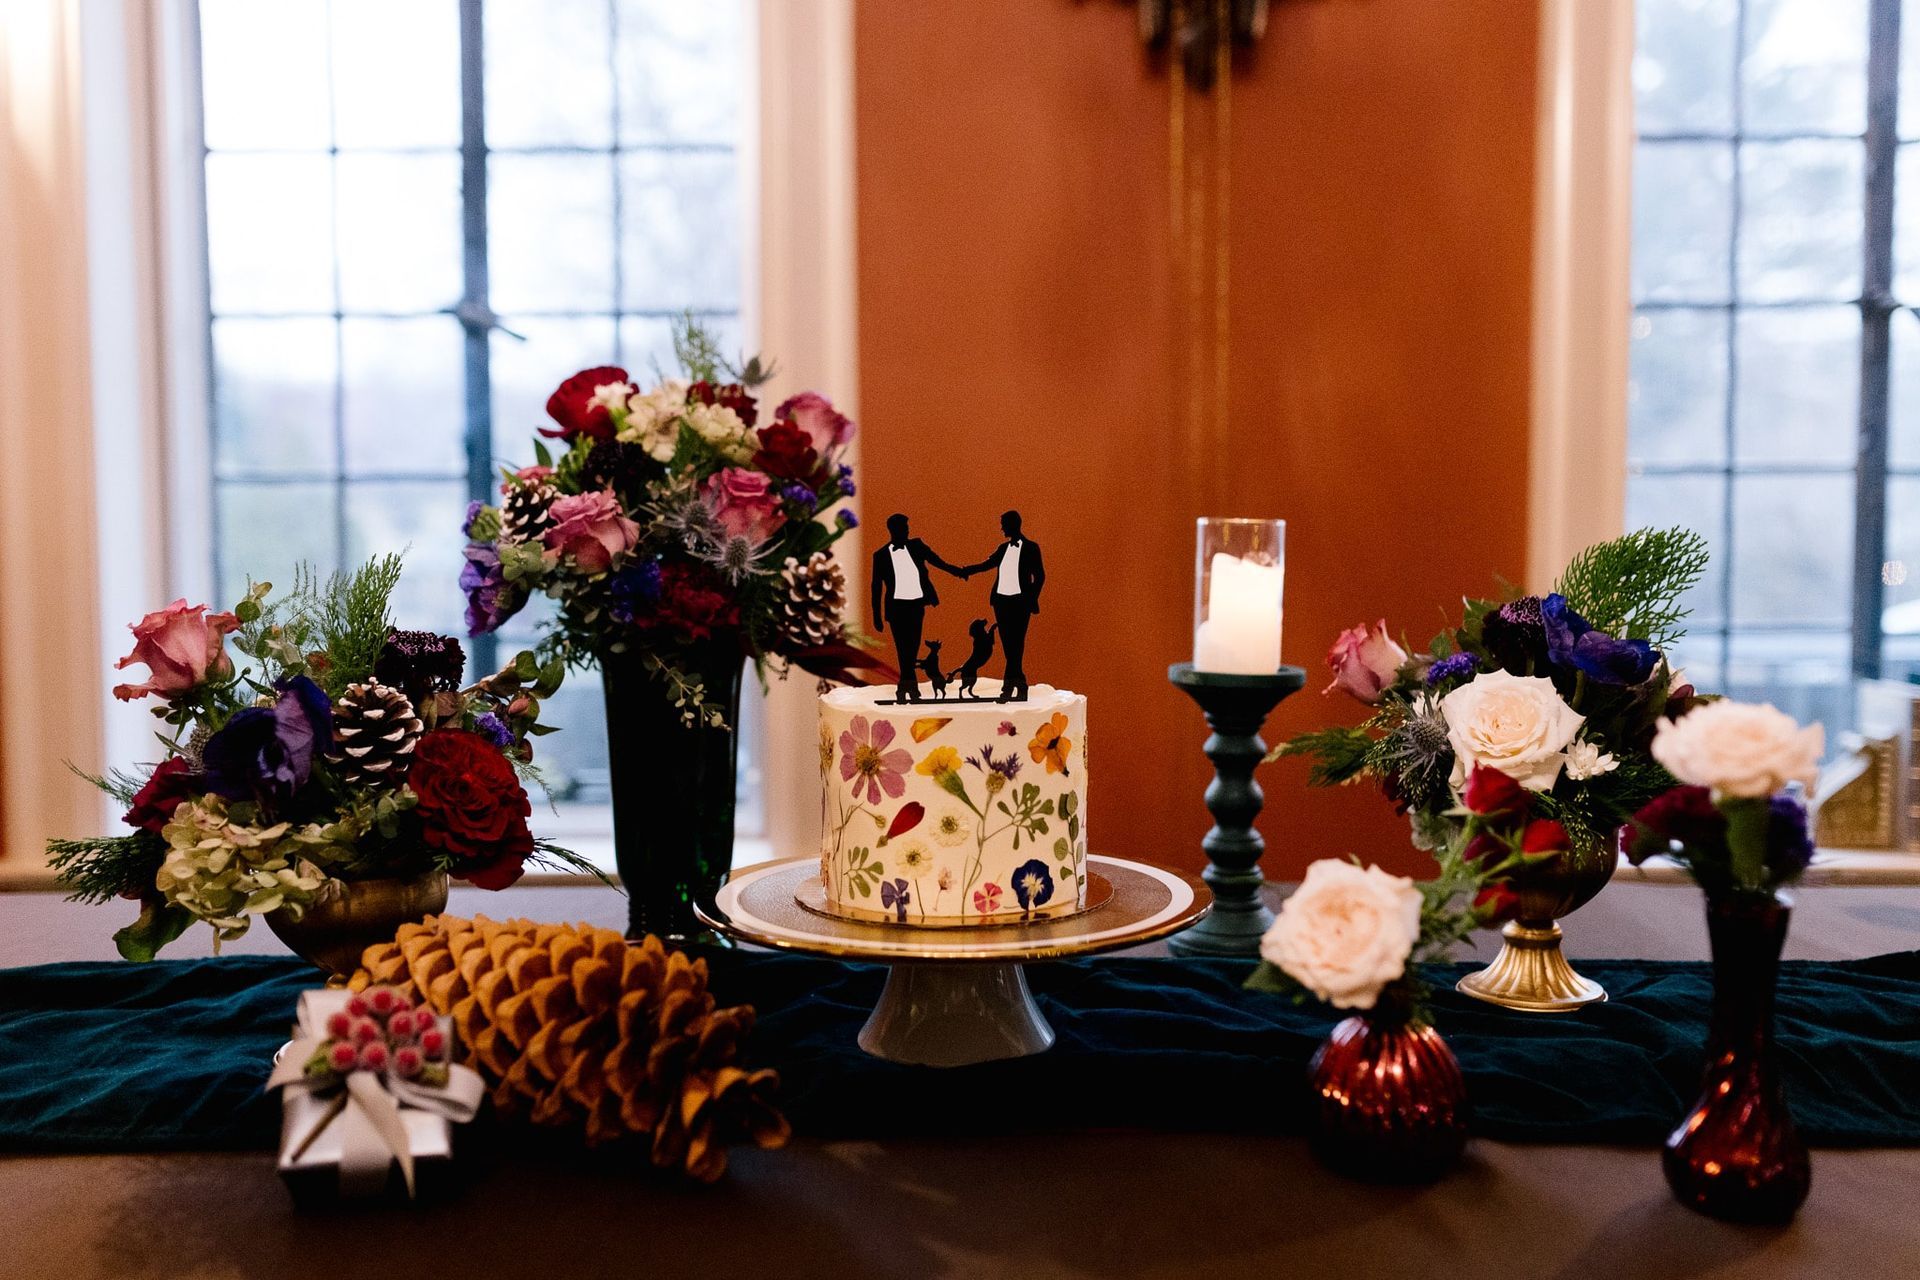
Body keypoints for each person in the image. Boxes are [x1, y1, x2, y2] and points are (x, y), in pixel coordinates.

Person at [871, 514, 968, 702]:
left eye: (907, 526)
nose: (907, 530)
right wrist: (876, 615)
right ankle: (909, 687)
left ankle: (905, 686)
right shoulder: (881, 555)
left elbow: (937, 562)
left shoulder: (917, 546)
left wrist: (958, 571)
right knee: (902, 647)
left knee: (913, 645)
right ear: (894, 529)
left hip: (916, 604)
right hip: (896, 606)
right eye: (904, 527)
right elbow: (876, 586)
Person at [962, 510, 1045, 702]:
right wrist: (965, 571)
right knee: (1010, 646)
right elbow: (986, 565)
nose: (1001, 528)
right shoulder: (1002, 548)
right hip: (1001, 602)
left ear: (1013, 524)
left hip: (1020, 603)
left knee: (1017, 645)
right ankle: (1019, 684)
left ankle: (1009, 688)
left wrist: (1031, 598)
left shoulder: (1031, 548)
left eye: (1003, 524)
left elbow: (1040, 576)